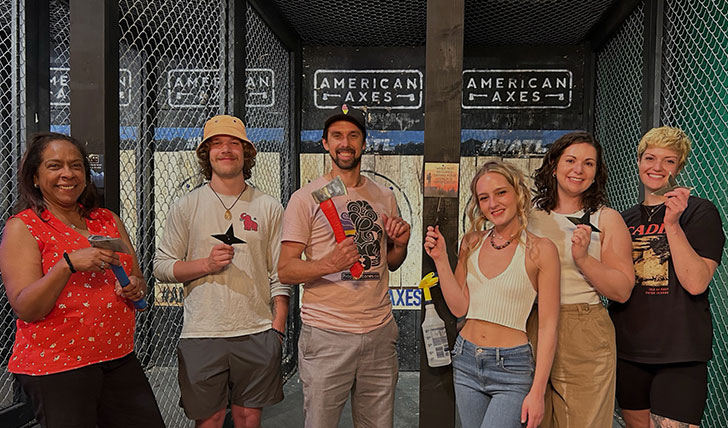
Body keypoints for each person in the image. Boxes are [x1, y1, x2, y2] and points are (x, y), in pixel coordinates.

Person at [0, 132, 165, 428]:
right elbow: (27, 307)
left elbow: (136, 277)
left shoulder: (107, 219)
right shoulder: (23, 227)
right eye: (54, 166)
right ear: (35, 177)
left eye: (76, 166)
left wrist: (134, 286)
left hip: (118, 356)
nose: (67, 173)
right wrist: (67, 265)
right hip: (59, 365)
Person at [277, 104, 410, 428]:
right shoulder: (305, 198)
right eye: (337, 135)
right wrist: (328, 263)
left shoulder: (384, 195)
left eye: (353, 135)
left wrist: (401, 244)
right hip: (327, 334)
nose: (345, 142)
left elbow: (390, 263)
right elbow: (286, 270)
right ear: (325, 143)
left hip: (378, 331)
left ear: (364, 143)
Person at [153, 115, 288, 428]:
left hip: (256, 331)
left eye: (234, 143)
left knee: (248, 417)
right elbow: (161, 266)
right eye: (217, 143)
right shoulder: (186, 205)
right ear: (206, 154)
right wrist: (206, 265)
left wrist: (277, 328)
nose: (226, 149)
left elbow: (279, 273)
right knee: (210, 419)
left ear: (246, 152)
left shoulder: (269, 206)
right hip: (203, 332)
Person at [424, 160, 560, 428]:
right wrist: (441, 260)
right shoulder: (471, 241)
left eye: (501, 193)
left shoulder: (542, 250)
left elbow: (548, 326)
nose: (493, 203)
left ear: (517, 192)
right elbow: (459, 308)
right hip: (465, 360)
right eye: (484, 198)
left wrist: (537, 392)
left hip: (513, 368)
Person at [610, 127, 724, 428]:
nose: (657, 167)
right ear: (638, 162)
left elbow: (697, 282)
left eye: (669, 161)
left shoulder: (699, 212)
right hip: (629, 348)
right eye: (650, 158)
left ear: (680, 167)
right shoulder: (623, 220)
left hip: (679, 351)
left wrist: (671, 224)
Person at [528, 131, 635, 428]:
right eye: (571, 160)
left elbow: (623, 290)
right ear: (553, 164)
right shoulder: (528, 216)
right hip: (529, 323)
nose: (578, 169)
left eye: (589, 164)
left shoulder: (606, 218)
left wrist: (584, 259)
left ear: (597, 172)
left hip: (583, 326)